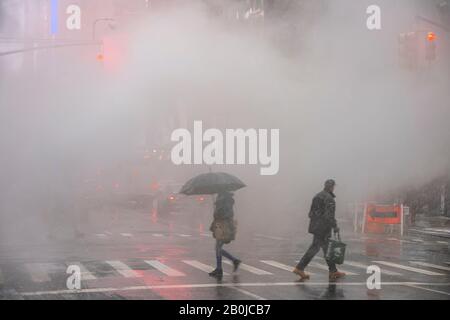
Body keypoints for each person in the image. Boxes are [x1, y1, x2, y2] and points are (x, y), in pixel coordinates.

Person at [293, 179, 346, 281]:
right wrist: (334, 226)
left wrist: (316, 222)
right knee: (316, 248)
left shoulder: (317, 196)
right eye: (333, 186)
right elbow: (329, 215)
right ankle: (300, 268)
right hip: (323, 228)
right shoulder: (329, 198)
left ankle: (333, 271)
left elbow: (310, 213)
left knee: (324, 248)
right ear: (332, 187)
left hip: (316, 226)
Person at [208, 191, 241, 279]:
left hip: (224, 227)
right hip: (222, 226)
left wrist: (217, 212)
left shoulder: (225, 201)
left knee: (218, 248)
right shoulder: (223, 201)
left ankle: (224, 266)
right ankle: (229, 263)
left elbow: (226, 214)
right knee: (218, 248)